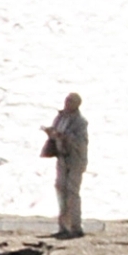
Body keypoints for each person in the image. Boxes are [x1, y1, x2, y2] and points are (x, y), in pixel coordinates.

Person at [43, 92, 91, 238]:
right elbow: (55, 132)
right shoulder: (60, 117)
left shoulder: (81, 121)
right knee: (60, 189)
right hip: (61, 157)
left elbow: (80, 141)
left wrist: (65, 137)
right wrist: (51, 133)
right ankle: (63, 226)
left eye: (70, 101)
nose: (67, 103)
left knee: (72, 192)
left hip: (75, 159)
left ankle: (76, 227)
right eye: (67, 100)